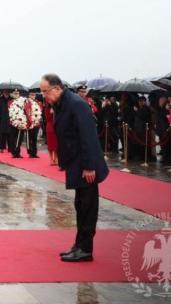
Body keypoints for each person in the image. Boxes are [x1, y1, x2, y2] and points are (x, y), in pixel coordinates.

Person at [40, 73, 109, 263]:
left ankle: (86, 249)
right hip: (75, 162)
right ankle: (79, 245)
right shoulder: (61, 104)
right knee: (80, 205)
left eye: (45, 91)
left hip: (85, 165)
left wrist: (89, 167)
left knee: (88, 206)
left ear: (57, 88)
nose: (44, 95)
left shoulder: (76, 104)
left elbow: (88, 137)